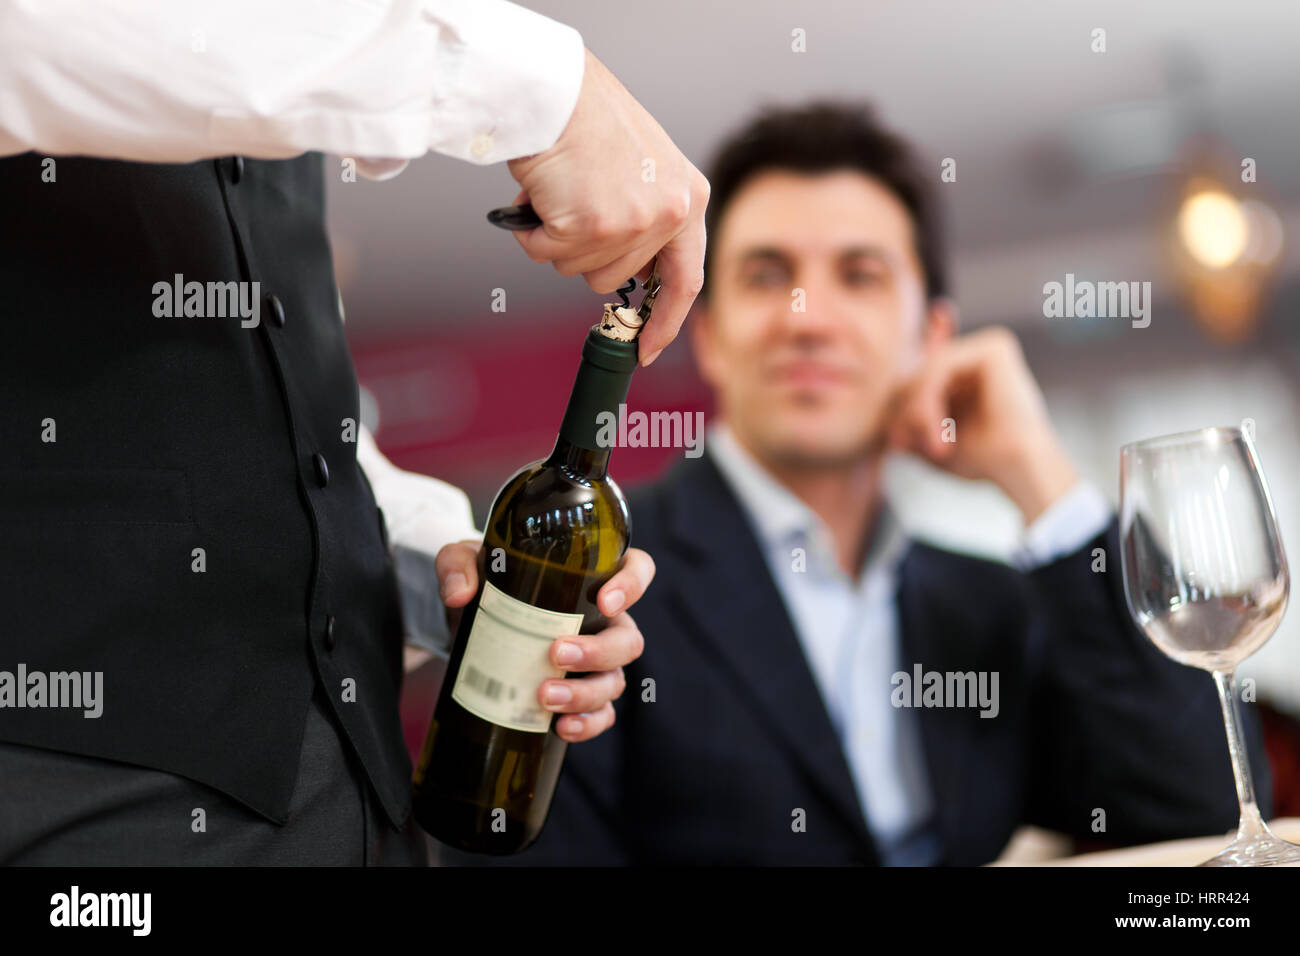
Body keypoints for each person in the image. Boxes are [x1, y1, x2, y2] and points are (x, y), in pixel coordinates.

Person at [460, 100, 1273, 866]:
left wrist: (1042, 480)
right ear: (705, 336)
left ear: (933, 335)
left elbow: (1204, 811)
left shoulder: (988, 606)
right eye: (767, 274)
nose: (808, 316)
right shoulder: (596, 583)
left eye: (861, 275)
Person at [0, 0, 706, 865]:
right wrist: (550, 88)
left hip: (362, 801)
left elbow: (290, 424)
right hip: (81, 792)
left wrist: (449, 575)